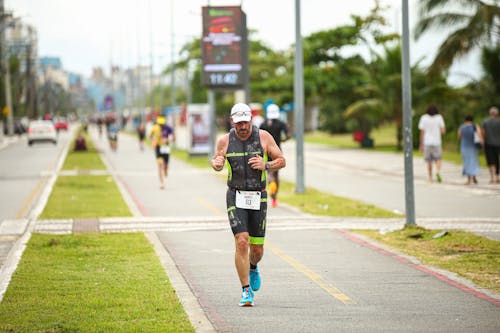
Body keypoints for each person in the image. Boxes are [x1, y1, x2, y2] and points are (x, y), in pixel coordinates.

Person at [211, 103, 286, 307]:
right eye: (238, 123)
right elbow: (217, 160)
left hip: (258, 196)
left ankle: (253, 266)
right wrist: (216, 164)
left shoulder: (264, 137)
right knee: (241, 240)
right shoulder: (225, 140)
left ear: (251, 120)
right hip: (235, 195)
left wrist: (266, 164)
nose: (242, 126)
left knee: (257, 250)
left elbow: (281, 160)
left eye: (245, 122)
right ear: (232, 121)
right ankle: (245, 291)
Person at [259, 103, 291, 207]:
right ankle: (274, 198)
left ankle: (270, 183)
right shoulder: (281, 124)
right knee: (276, 174)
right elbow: (288, 135)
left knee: (268, 172)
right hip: (277, 151)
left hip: (265, 151)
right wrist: (282, 140)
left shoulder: (263, 124)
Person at [418, 105, 446, 183]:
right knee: (438, 158)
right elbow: (443, 131)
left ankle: (430, 177)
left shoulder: (424, 118)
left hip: (427, 142)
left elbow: (422, 132)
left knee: (429, 161)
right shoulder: (439, 117)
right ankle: (437, 171)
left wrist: (421, 144)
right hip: (437, 142)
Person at [149, 116, 175, 189]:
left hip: (166, 147)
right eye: (159, 124)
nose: (161, 126)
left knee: (165, 166)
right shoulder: (154, 128)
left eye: (162, 124)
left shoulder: (168, 128)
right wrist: (153, 141)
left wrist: (168, 140)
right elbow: (150, 136)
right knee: (160, 165)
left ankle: (166, 170)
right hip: (158, 147)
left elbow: (174, 138)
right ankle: (162, 183)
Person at [458, 115, 481, 185]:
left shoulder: (461, 127)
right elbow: (479, 135)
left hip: (464, 146)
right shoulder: (475, 126)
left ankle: (468, 179)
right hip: (473, 146)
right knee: (474, 161)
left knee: (466, 162)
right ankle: (474, 176)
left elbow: (459, 136)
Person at [481, 106, 500, 184]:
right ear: (496, 114)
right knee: (497, 160)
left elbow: (483, 133)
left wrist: (483, 141)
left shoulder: (485, 122)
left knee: (490, 161)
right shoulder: (499, 122)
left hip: (488, 143)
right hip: (498, 143)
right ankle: (497, 176)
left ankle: (492, 177)